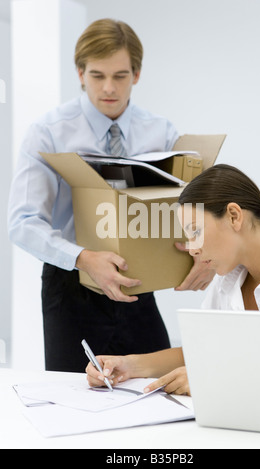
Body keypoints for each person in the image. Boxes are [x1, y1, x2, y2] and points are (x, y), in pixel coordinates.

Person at [7, 19, 213, 373]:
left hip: (139, 281)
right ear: (80, 72)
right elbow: (23, 223)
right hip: (72, 284)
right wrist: (85, 258)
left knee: (158, 387)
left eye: (120, 76)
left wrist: (204, 251)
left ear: (136, 74)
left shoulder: (161, 132)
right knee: (76, 397)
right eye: (97, 75)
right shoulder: (47, 133)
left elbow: (191, 207)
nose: (108, 88)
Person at [86, 164, 260, 395]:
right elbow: (202, 348)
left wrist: (215, 376)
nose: (193, 249)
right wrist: (128, 365)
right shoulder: (227, 282)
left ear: (234, 216)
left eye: (196, 231)